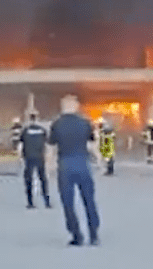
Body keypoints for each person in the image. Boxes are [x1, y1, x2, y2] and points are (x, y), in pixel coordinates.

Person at [48, 95, 100, 246]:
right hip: (83, 163)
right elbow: (92, 145)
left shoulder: (56, 124)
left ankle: (77, 235)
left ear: (62, 106)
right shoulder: (85, 122)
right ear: (76, 106)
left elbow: (51, 149)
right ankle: (94, 234)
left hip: (65, 165)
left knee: (68, 202)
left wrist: (49, 167)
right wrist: (98, 160)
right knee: (89, 200)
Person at [20, 114, 51, 209]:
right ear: (37, 120)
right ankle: (46, 202)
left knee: (29, 179)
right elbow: (47, 143)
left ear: (29, 120)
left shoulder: (26, 130)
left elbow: (21, 144)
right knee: (43, 179)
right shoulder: (42, 130)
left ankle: (30, 202)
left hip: (29, 157)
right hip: (40, 157)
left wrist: (21, 157)